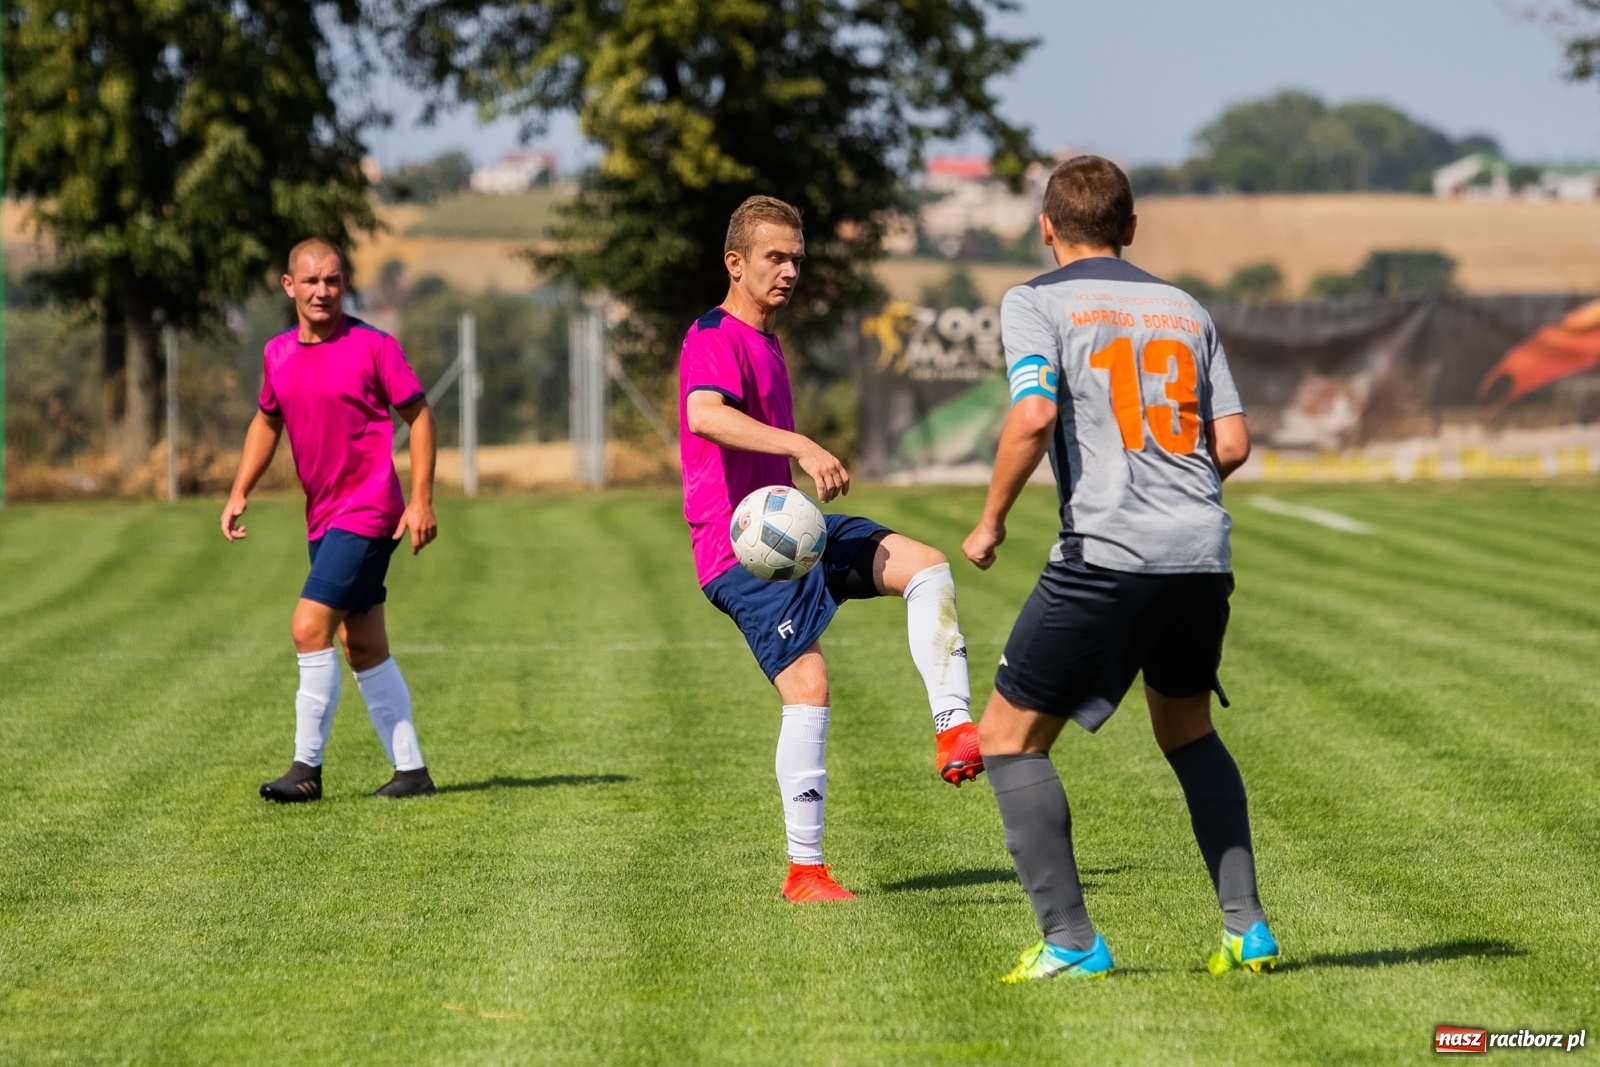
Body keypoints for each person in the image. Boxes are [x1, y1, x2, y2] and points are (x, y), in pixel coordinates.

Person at [960, 156, 1278, 980]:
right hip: (1203, 554)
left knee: (1007, 738)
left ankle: (1070, 941)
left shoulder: (1034, 300)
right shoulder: (1183, 307)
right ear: (1131, 228)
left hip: (1108, 553)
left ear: (1046, 227)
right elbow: (1234, 442)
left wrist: (990, 520)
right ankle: (1247, 929)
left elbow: (1033, 415)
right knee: (1188, 730)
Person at [681, 196, 982, 902]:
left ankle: (954, 726)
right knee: (809, 687)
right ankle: (805, 871)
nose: (788, 271)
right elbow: (703, 413)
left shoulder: (768, 340)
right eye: (774, 258)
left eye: (796, 258)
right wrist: (800, 444)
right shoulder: (712, 333)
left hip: (792, 528)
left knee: (925, 565)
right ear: (736, 263)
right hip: (740, 549)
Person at [222, 238, 440, 802]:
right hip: (321, 519)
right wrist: (239, 489)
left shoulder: (374, 347)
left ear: (346, 284)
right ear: (289, 286)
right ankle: (411, 772)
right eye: (312, 281)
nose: (323, 291)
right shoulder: (276, 354)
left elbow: (418, 417)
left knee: (307, 626)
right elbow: (267, 421)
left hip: (368, 511)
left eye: (334, 280)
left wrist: (420, 500)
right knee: (362, 644)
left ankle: (305, 770)